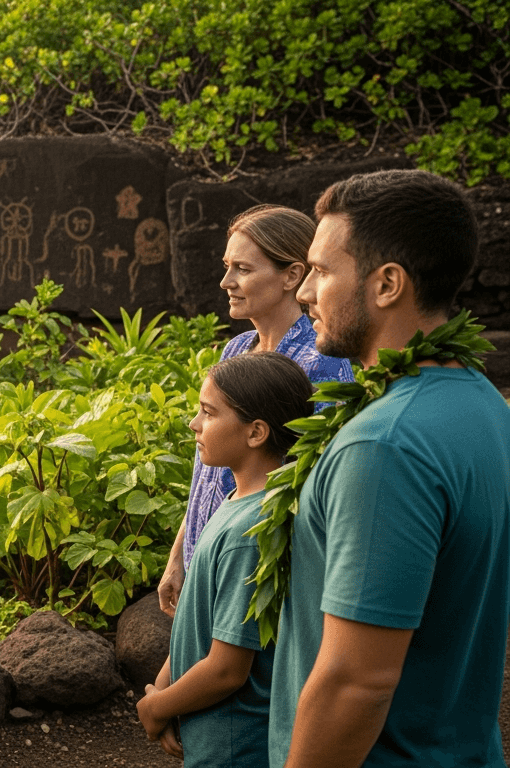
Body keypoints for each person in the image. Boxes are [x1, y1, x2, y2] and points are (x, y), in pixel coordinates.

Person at [269, 169, 510, 766]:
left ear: (387, 284)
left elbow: (358, 683)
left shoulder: (383, 445)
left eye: (322, 271)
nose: (303, 292)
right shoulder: (483, 402)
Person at [158, 205, 353, 618]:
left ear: (291, 275)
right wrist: (180, 554)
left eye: (243, 269)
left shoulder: (322, 364)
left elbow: (318, 486)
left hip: (258, 572)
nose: (226, 282)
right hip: (208, 555)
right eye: (228, 266)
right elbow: (206, 468)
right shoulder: (236, 348)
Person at [138, 352, 314, 767]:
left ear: (255, 432)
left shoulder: (251, 532)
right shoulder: (238, 501)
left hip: (235, 745)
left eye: (208, 413)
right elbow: (203, 623)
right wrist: (163, 688)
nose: (194, 424)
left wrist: (157, 708)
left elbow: (227, 669)